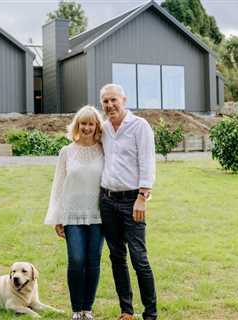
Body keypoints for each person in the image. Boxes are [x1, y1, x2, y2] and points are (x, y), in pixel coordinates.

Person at [99, 84, 157, 320]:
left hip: (132, 200)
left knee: (139, 258)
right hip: (107, 200)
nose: (110, 105)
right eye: (105, 102)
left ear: (123, 99)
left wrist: (142, 197)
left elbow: (147, 161)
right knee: (116, 257)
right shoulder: (103, 128)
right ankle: (126, 310)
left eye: (113, 100)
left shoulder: (139, 126)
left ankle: (150, 314)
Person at [44, 105, 105, 320]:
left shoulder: (104, 149)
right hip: (71, 215)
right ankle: (76, 309)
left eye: (91, 123)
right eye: (83, 123)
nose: (87, 127)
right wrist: (57, 217)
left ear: (97, 125)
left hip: (98, 216)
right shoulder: (66, 152)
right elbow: (58, 186)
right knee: (77, 260)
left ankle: (87, 308)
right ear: (77, 125)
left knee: (93, 261)